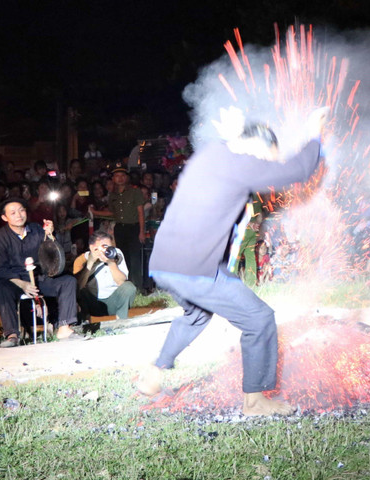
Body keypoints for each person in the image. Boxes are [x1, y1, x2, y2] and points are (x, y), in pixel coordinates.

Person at [136, 107, 326, 416]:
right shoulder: (242, 164)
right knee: (260, 319)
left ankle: (154, 372)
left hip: (164, 264)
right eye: (270, 157)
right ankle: (255, 401)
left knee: (196, 315)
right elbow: (300, 169)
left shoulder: (210, 157)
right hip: (193, 268)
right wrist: (314, 131)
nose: (269, 166)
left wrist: (234, 137)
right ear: (257, 147)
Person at [0, 198, 80, 346]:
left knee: (68, 281)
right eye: (13, 213)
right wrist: (22, 284)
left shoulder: (36, 229)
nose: (19, 215)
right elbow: (0, 270)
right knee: (2, 289)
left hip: (39, 278)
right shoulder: (0, 239)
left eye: (21, 210)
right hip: (15, 281)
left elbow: (51, 255)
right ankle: (12, 335)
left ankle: (64, 327)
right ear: (5, 218)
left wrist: (50, 234)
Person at [92, 165, 146, 291]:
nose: (120, 178)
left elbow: (140, 213)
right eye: (117, 176)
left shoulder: (135, 192)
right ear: (113, 179)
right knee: (122, 258)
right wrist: (95, 212)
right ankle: (125, 288)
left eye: (122, 176)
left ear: (126, 177)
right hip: (120, 229)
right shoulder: (113, 195)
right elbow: (112, 213)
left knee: (135, 259)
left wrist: (142, 231)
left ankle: (138, 288)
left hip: (134, 228)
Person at [73, 229, 137, 320]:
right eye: (103, 247)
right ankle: (85, 322)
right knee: (81, 292)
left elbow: (121, 282)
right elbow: (78, 286)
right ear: (92, 247)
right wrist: (90, 263)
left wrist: (111, 263)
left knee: (129, 287)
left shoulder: (115, 253)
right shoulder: (84, 258)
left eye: (108, 247)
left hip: (113, 301)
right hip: (93, 302)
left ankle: (121, 321)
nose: (106, 250)